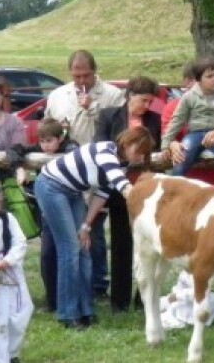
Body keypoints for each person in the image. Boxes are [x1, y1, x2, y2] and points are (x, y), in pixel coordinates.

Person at [33, 126, 155, 330]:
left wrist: (86, 226)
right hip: (51, 187)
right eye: (139, 150)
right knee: (70, 250)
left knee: (84, 248)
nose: (141, 156)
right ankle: (67, 314)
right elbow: (121, 184)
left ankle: (85, 310)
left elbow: (102, 194)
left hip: (73, 193)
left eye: (145, 152)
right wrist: (141, 204)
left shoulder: (122, 164)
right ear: (126, 143)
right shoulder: (105, 151)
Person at [43, 50, 124, 298]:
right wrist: (57, 131)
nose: (81, 81)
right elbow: (46, 128)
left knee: (94, 232)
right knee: (62, 235)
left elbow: (118, 130)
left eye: (86, 76)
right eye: (76, 76)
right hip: (65, 173)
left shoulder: (112, 94)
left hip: (96, 172)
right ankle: (66, 287)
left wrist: (94, 108)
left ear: (95, 72)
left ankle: (98, 286)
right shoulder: (58, 95)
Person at [94, 75, 161, 312]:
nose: (147, 106)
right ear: (130, 96)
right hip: (117, 189)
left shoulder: (155, 119)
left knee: (147, 245)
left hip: (145, 190)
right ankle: (119, 302)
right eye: (144, 100)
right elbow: (99, 145)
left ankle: (143, 300)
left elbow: (158, 149)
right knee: (120, 244)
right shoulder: (108, 116)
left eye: (150, 101)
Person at [6, 119, 78, 314]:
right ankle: (52, 299)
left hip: (70, 207)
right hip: (47, 209)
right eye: (42, 141)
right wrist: (20, 168)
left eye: (49, 141)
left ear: (60, 138)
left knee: (70, 254)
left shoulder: (70, 147)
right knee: (47, 254)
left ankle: (73, 299)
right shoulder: (38, 149)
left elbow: (75, 154)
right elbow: (14, 150)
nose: (45, 145)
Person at [162, 57, 214, 178]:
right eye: (209, 76)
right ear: (198, 80)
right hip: (195, 134)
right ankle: (175, 184)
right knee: (182, 155)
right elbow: (177, 120)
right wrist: (166, 144)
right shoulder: (189, 97)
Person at [0, 187, 34, 363]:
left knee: (21, 311)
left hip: (8, 270)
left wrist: (8, 260)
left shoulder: (7, 219)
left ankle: (12, 353)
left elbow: (20, 241)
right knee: (0, 319)